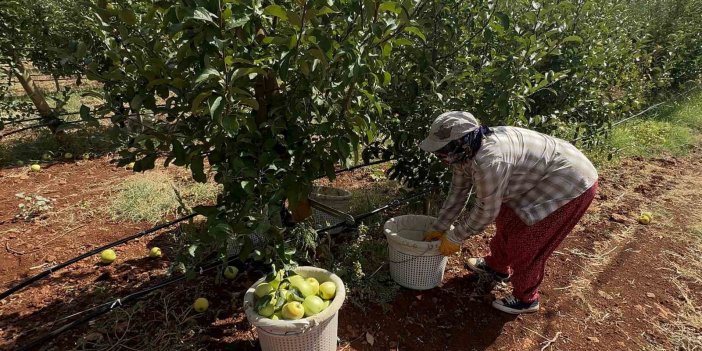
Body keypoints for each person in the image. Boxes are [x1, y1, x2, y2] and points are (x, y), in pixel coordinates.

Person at [419, 111, 598, 314]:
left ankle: (526, 298)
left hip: (570, 182)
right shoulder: (465, 152)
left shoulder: (489, 160)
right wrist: (440, 226)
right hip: (543, 175)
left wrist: (455, 236)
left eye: (444, 150)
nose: (441, 155)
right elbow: (458, 191)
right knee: (507, 218)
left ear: (462, 141)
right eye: (439, 151)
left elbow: (486, 210)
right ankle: (497, 266)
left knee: (527, 242)